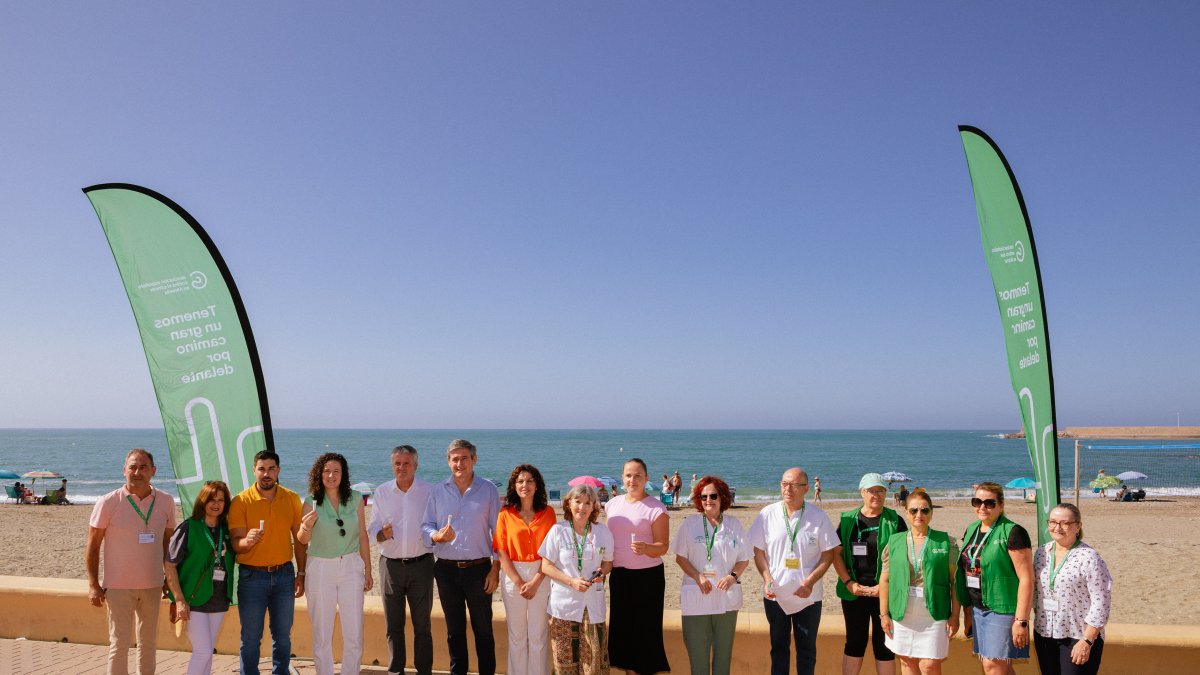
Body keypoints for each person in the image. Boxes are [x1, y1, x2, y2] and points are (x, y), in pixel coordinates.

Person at [86, 448, 177, 675]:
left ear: (153, 471)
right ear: (124, 470)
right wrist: (93, 585)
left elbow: (168, 545)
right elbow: (93, 545)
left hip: (153, 585)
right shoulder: (108, 502)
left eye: (143, 467)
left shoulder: (166, 501)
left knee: (149, 644)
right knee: (119, 644)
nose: (137, 472)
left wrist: (169, 579)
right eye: (132, 467)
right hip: (118, 587)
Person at [421, 439, 501, 675]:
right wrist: (436, 536)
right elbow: (426, 525)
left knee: (484, 630)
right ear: (448, 462)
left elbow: (498, 532)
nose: (459, 463)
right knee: (454, 632)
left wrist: (495, 569)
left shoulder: (488, 490)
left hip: (479, 570)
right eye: (454, 459)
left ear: (474, 460)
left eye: (464, 458)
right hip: (446, 570)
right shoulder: (438, 491)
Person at [748, 467, 838, 675]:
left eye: (794, 485)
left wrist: (809, 583)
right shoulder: (767, 514)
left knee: (806, 651)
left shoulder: (819, 517)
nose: (788, 489)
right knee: (778, 649)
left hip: (808, 596)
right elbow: (758, 551)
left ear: (806, 488)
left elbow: (828, 555)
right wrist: (767, 578)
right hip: (775, 595)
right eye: (784, 484)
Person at [229, 449, 306, 675]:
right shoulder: (241, 501)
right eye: (262, 469)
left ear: (278, 471)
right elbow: (235, 543)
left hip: (284, 575)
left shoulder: (291, 498)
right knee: (251, 637)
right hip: (251, 577)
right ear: (254, 471)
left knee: (282, 636)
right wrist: (247, 541)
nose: (266, 474)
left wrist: (301, 573)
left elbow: (300, 541)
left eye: (271, 469)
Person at [296, 453, 372, 675]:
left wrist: (367, 569)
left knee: (354, 632)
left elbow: (363, 536)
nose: (331, 476)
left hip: (351, 566)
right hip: (320, 568)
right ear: (319, 474)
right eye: (326, 471)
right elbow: (302, 539)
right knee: (322, 634)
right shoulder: (311, 502)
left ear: (343, 474)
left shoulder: (356, 498)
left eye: (336, 471)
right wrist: (306, 527)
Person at [672, 476, 750, 675]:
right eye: (703, 496)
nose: (708, 500)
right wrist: (698, 577)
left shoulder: (734, 525)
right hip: (697, 595)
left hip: (726, 599)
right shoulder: (690, 524)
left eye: (713, 495)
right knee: (698, 659)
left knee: (723, 658)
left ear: (722, 497)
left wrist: (732, 577)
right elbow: (680, 558)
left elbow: (744, 559)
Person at [368, 445, 435, 675]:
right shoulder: (382, 492)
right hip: (390, 566)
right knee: (393, 626)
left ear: (416, 465)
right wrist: (381, 534)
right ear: (392, 465)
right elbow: (372, 530)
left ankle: (423, 671)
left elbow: (436, 525)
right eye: (397, 463)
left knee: (422, 626)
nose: (401, 468)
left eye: (406, 463)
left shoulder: (429, 491)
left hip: (422, 565)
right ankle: (396, 670)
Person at [830, 473, 907, 675]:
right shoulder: (847, 520)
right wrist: (848, 582)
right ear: (862, 492)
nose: (877, 495)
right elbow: (836, 554)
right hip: (854, 592)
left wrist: (884, 586)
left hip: (885, 593)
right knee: (855, 642)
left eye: (881, 490)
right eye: (871, 490)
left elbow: (904, 558)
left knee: (884, 644)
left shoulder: (895, 520)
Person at [878, 489, 960, 675]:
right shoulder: (894, 541)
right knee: (907, 662)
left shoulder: (946, 542)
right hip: (902, 611)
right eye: (914, 510)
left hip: (934, 612)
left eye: (924, 510)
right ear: (906, 512)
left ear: (931, 512)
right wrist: (884, 615)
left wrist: (955, 615)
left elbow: (955, 582)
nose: (919, 515)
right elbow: (885, 580)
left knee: (929, 666)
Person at [956, 481, 1034, 675]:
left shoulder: (1013, 532)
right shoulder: (971, 529)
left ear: (1001, 505)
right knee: (1001, 667)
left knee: (992, 666)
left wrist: (1021, 621)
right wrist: (967, 610)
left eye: (989, 503)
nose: (982, 507)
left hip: (1001, 609)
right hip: (977, 608)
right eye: (977, 501)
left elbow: (1027, 578)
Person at [605, 457, 671, 674]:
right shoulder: (613, 504)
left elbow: (663, 546)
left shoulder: (656, 507)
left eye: (638, 476)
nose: (632, 480)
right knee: (622, 631)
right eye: (628, 475)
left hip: (648, 576)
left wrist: (646, 548)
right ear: (622, 478)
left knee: (645, 633)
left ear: (646, 478)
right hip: (620, 575)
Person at [539, 485, 614, 675]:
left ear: (593, 506)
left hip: (592, 604)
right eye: (577, 501)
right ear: (568, 504)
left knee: (593, 661)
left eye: (587, 503)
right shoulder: (558, 530)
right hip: (563, 604)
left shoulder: (602, 532)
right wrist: (571, 581)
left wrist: (601, 573)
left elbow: (608, 563)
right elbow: (545, 566)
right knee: (564, 661)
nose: (582, 507)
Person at [165, 481, 236, 675]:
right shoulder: (189, 527)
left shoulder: (227, 530)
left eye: (221, 500)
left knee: (207, 652)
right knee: (203, 651)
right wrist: (179, 600)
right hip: (193, 599)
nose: (216, 504)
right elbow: (170, 565)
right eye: (211, 499)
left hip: (219, 599)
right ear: (202, 501)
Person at [1032, 504, 1111, 675]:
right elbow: (1036, 592)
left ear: (1078, 526)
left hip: (1077, 636)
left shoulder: (1089, 557)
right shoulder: (1041, 553)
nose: (1057, 527)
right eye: (1052, 522)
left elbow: (1101, 603)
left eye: (1064, 523)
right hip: (1044, 633)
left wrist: (1087, 641)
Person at [493, 464, 556, 675]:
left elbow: (551, 553)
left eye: (529, 481)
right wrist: (520, 583)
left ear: (537, 485)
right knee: (517, 635)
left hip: (542, 573)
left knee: (538, 635)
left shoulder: (548, 514)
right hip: (513, 575)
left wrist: (536, 581)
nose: (525, 485)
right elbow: (501, 551)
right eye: (520, 481)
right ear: (514, 486)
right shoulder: (505, 514)